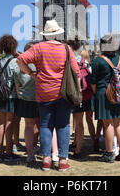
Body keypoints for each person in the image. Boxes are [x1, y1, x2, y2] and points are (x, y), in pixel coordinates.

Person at [17, 20, 80, 172]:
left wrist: (31, 73)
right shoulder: (66, 49)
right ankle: (63, 161)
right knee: (63, 125)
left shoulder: (38, 48)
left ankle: (46, 160)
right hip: (63, 92)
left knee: (45, 125)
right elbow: (76, 72)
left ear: (45, 34)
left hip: (44, 92)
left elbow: (20, 60)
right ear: (57, 33)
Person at [90, 34, 120, 163]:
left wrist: (97, 93)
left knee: (108, 124)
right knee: (119, 123)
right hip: (119, 93)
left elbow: (93, 81)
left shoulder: (98, 60)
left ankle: (109, 153)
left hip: (104, 93)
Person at [0, 34, 21, 162]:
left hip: (0, 95)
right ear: (13, 46)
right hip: (11, 95)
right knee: (9, 122)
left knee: (1, 122)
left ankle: (0, 152)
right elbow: (17, 80)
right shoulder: (15, 62)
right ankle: (9, 152)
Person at [68, 39, 95, 160]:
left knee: (76, 122)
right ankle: (78, 148)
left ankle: (76, 148)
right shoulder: (84, 61)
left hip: (74, 94)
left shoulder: (68, 60)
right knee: (82, 122)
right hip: (86, 94)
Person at [15, 42, 40, 165]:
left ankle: (30, 153)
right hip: (40, 98)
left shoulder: (19, 66)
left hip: (26, 99)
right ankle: (37, 148)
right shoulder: (39, 64)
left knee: (28, 126)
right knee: (40, 125)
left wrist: (21, 96)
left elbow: (17, 86)